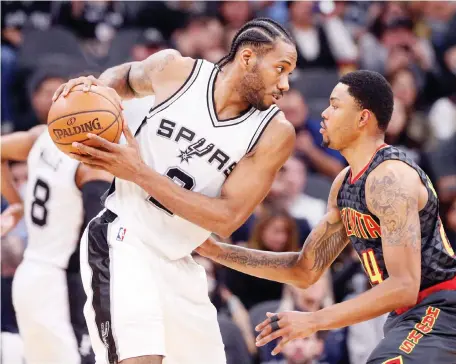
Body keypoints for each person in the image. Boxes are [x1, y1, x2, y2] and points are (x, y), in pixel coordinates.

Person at [196, 70, 456, 363]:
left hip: (446, 307)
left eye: (335, 106)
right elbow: (304, 270)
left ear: (363, 118)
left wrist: (313, 320)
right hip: (409, 315)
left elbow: (404, 286)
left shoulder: (391, 179)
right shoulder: (344, 184)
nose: (323, 113)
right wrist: (216, 251)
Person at [53, 18, 297, 364]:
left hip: (180, 262)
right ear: (246, 58)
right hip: (124, 238)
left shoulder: (274, 133)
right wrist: (89, 91)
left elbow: (227, 218)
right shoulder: (175, 70)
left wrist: (139, 173)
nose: (285, 83)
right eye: (280, 69)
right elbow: (115, 81)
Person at [0, 124, 112, 364]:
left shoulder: (42, 135)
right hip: (62, 283)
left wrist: (15, 203)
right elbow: (102, 240)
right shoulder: (92, 167)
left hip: (31, 272)